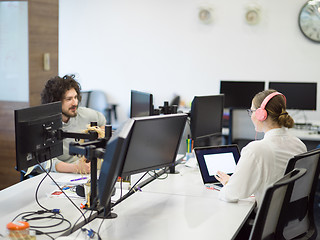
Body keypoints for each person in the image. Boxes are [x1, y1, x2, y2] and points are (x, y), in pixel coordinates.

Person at [214, 89, 307, 208]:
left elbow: (230, 195)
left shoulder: (255, 150)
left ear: (261, 115)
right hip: (291, 218)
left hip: (265, 222)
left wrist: (229, 184)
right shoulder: (299, 144)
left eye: (252, 111)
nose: (251, 115)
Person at [40, 74, 107, 174]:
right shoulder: (44, 125)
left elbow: (101, 120)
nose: (75, 103)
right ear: (55, 101)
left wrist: (99, 143)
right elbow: (46, 163)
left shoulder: (83, 114)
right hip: (58, 175)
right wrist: (76, 168)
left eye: (75, 97)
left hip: (82, 174)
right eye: (69, 99)